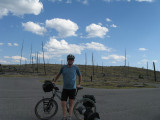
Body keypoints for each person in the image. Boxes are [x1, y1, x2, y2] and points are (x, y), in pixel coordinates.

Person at [53, 54, 82, 120]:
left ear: (73, 61)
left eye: (71, 59)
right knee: (63, 103)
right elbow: (58, 74)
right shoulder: (63, 67)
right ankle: (64, 117)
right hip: (65, 89)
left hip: (73, 89)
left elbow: (80, 75)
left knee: (71, 104)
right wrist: (54, 81)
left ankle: (69, 117)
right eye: (69, 59)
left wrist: (79, 84)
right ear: (67, 60)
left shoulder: (76, 68)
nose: (70, 60)